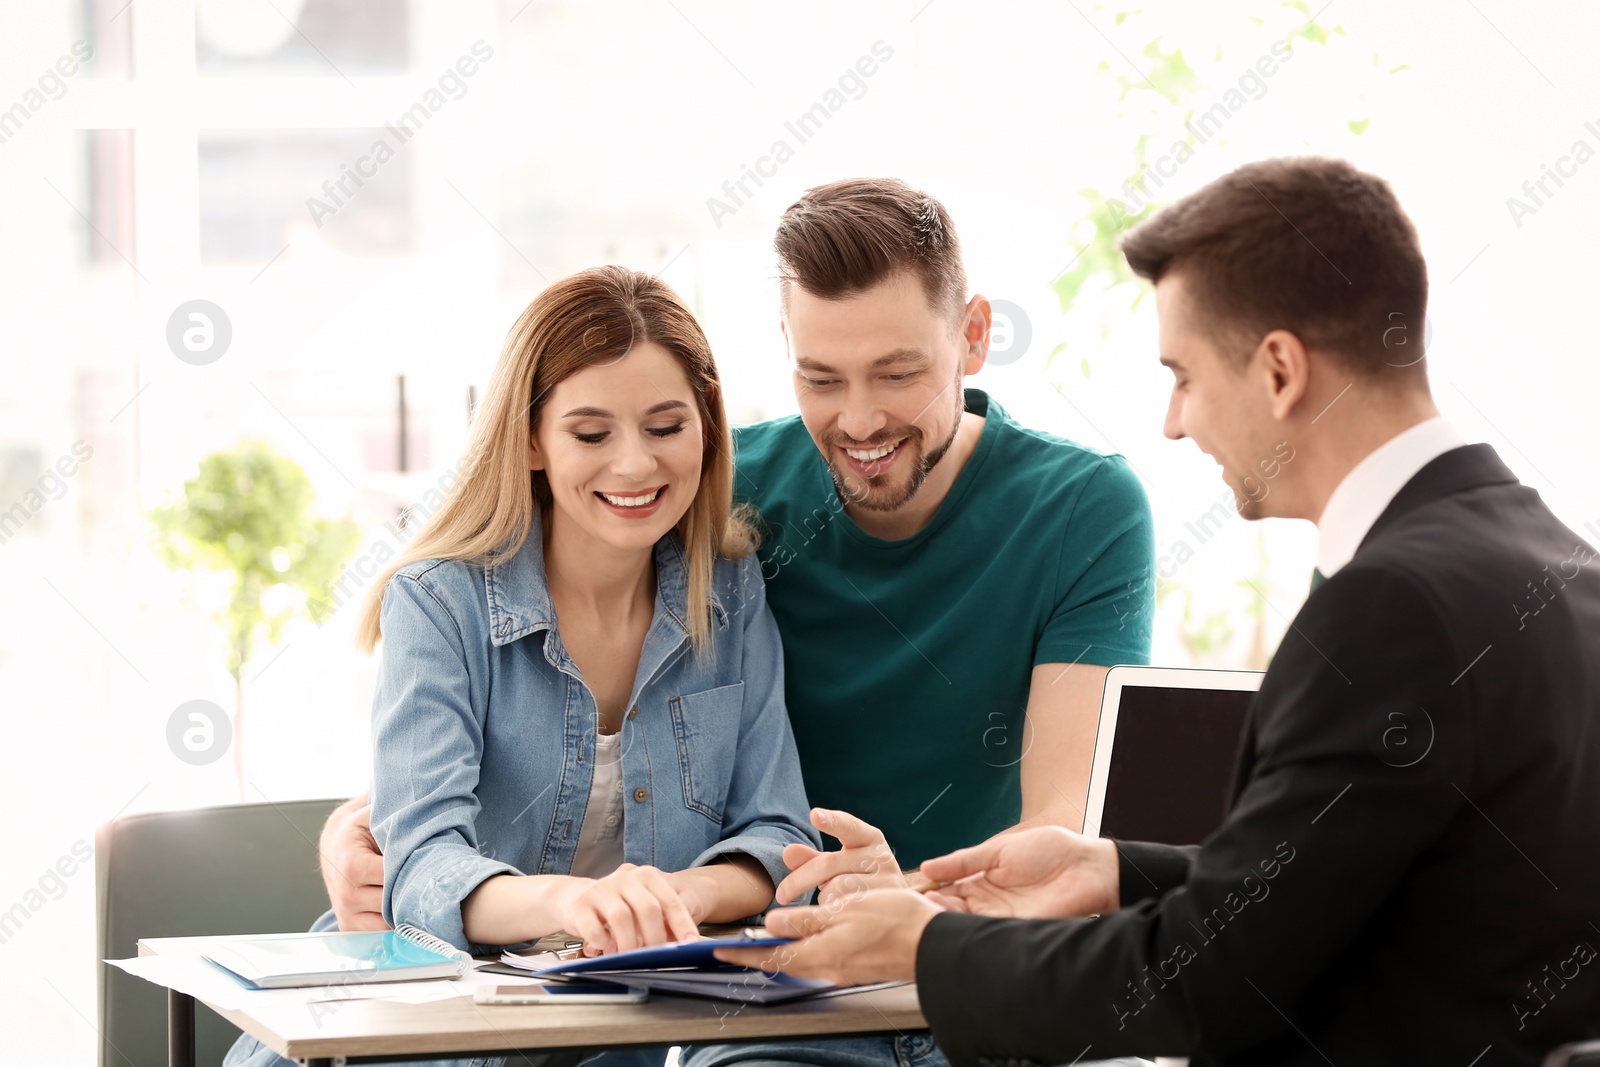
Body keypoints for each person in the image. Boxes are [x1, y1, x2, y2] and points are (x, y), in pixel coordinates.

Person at [717, 157, 1600, 1066]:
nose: (1176, 420)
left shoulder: (1391, 605)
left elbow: (1212, 983)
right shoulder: (1558, 564)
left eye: (1184, 375)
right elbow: (1361, 884)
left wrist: (924, 941)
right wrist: (1113, 869)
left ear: (1281, 371)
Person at [319, 178, 1157, 1067]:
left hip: (965, 967)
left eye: (900, 373)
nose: (862, 418)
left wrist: (903, 899)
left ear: (974, 337)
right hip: (772, 997)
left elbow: (1063, 836)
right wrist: (365, 834)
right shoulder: (713, 505)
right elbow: (480, 716)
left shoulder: (1079, 509)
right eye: (821, 378)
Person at [225, 266, 819, 1067]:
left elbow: (778, 832)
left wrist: (674, 896)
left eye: (666, 424)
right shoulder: (439, 602)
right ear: (532, 439)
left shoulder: (732, 589)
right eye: (591, 432)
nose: (636, 464)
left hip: (616, 1035)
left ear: (707, 426)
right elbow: (423, 866)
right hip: (410, 1032)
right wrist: (580, 901)